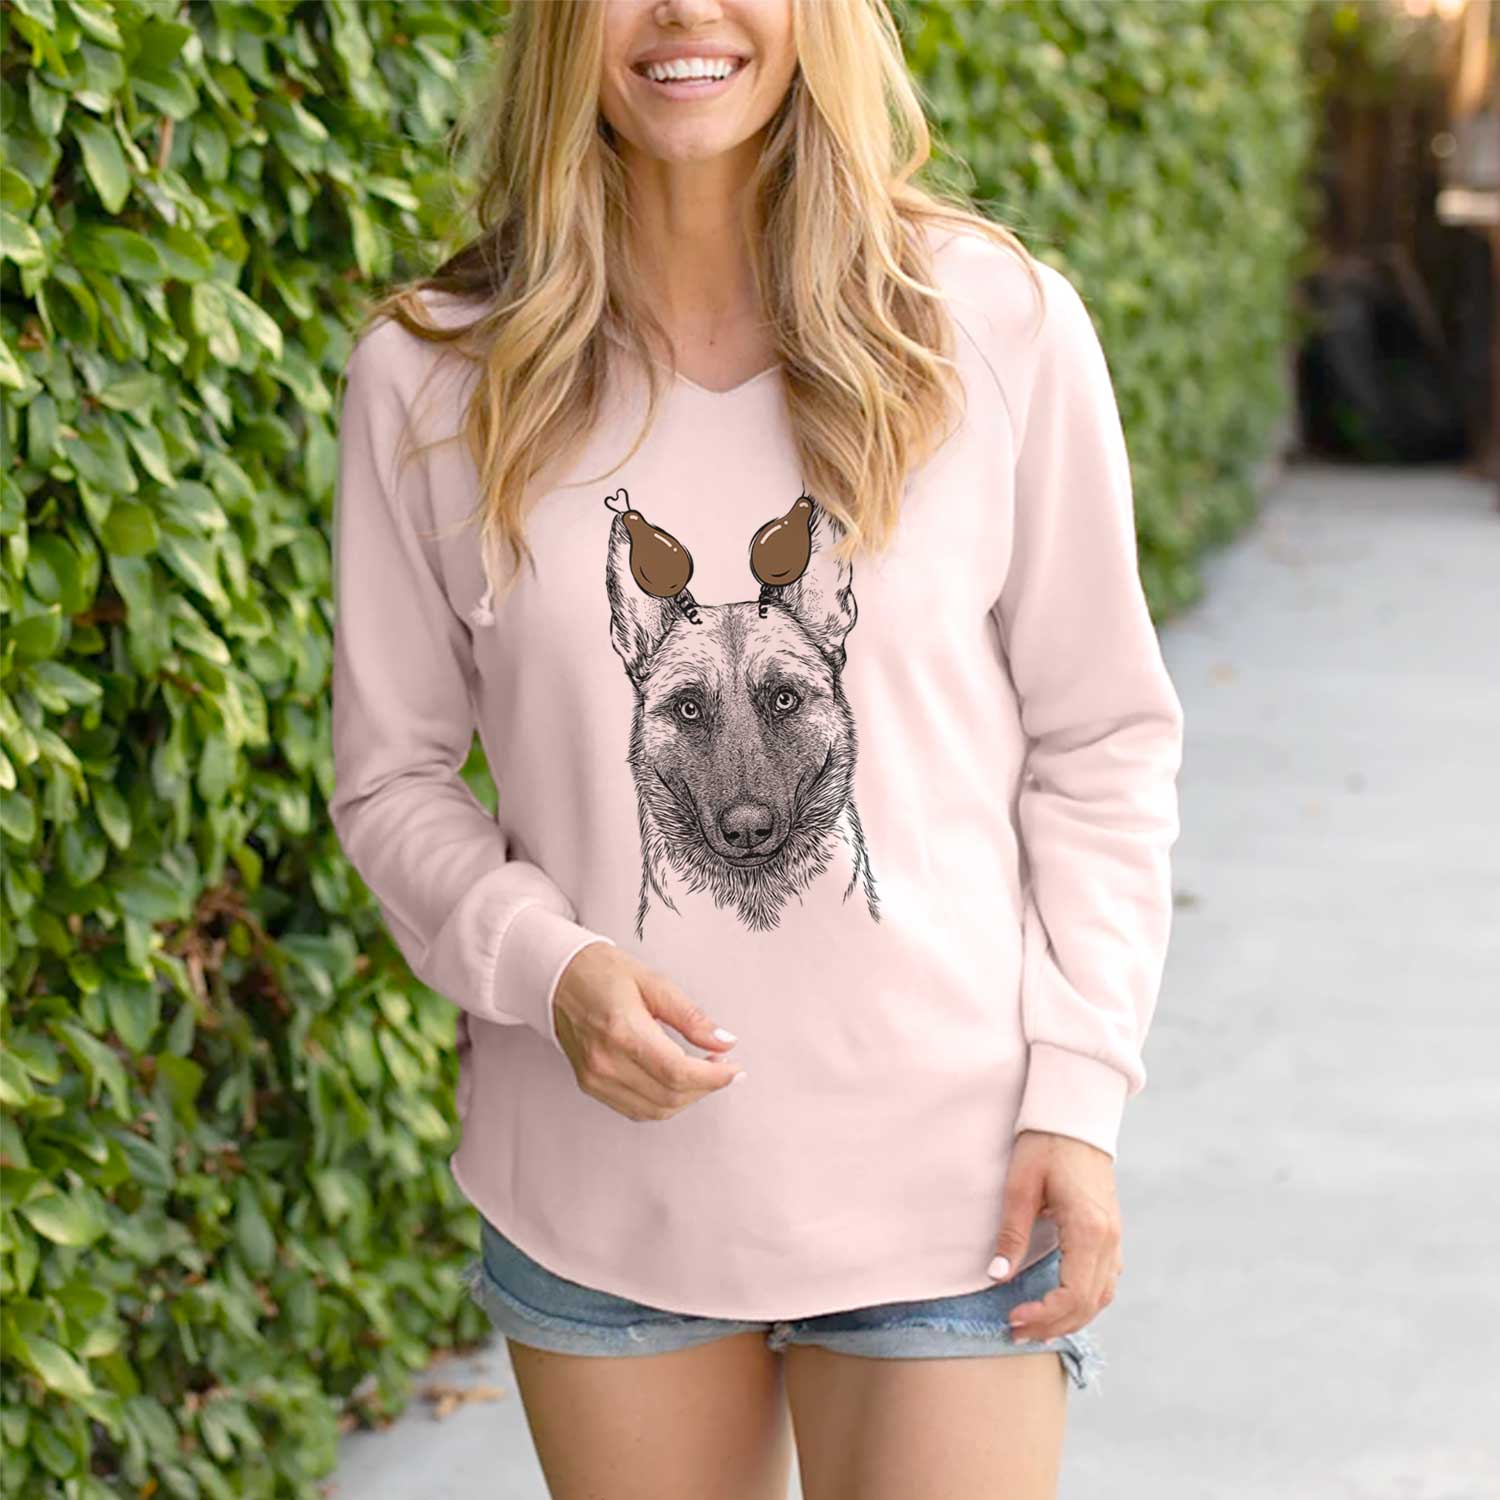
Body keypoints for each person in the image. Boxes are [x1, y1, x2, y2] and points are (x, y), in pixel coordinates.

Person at [328, 1, 1185, 1495]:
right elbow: (391, 776)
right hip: (601, 1195)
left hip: (957, 1178)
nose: (684, 12)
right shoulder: (436, 372)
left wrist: (1080, 1086)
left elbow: (1102, 736)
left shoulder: (993, 326)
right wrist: (547, 966)